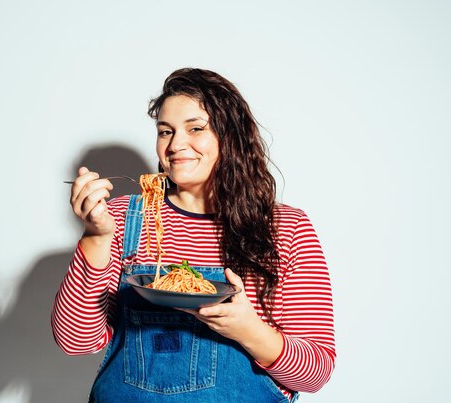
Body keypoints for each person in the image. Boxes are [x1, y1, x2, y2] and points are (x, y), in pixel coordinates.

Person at [52, 68, 335, 402]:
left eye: (195, 128)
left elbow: (316, 370)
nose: (175, 145)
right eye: (165, 131)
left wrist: (248, 330)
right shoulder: (120, 219)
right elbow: (75, 342)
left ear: (230, 136)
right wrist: (96, 237)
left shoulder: (285, 228)